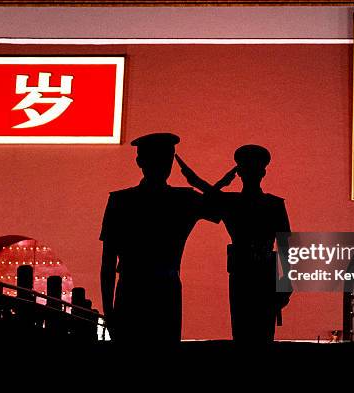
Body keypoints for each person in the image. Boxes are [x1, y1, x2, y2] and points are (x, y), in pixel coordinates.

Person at [99, 132, 219, 345]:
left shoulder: (121, 201)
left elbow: (108, 263)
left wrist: (109, 312)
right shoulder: (184, 199)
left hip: (134, 291)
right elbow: (224, 209)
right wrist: (197, 182)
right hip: (162, 291)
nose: (164, 164)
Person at [176, 145, 292, 344]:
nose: (251, 173)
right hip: (246, 274)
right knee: (245, 332)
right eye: (247, 169)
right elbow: (202, 193)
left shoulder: (254, 203)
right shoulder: (263, 203)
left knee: (257, 333)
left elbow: (287, 249)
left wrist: (285, 285)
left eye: (253, 169)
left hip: (256, 274)